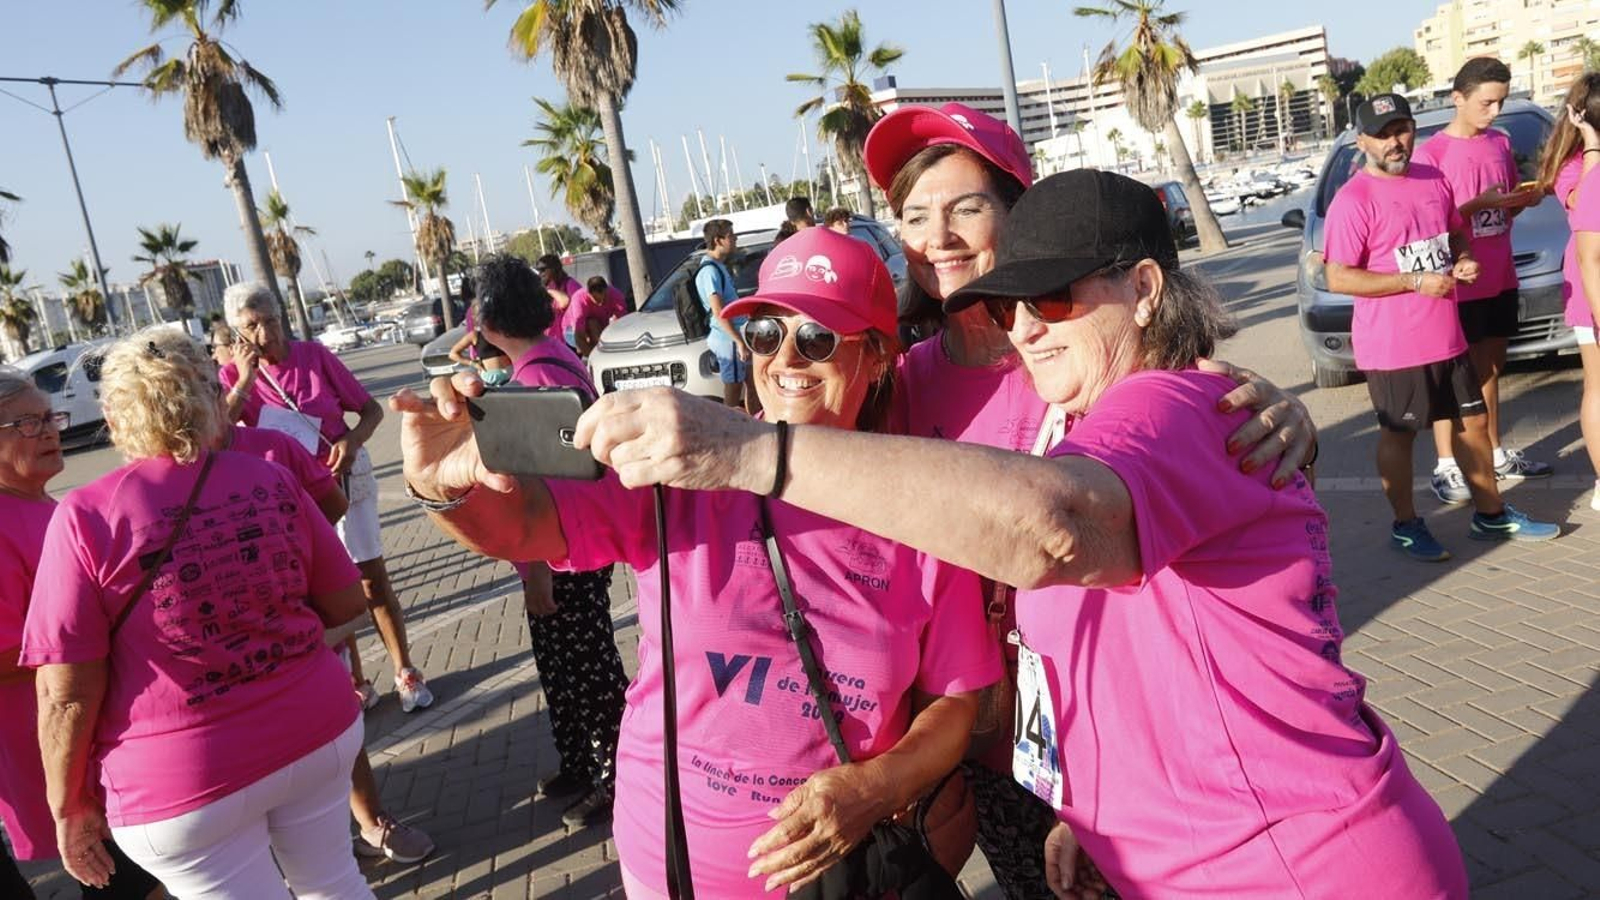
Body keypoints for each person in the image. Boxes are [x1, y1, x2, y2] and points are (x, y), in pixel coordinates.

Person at [564, 170, 1471, 899]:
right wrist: (1091, 803)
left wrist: (747, 450)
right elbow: (1122, 661)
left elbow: (1053, 526)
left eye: (1054, 300)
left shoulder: (1183, 405)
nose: (1028, 332)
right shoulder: (1077, 421)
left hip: (1289, 862)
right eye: (1009, 311)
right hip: (1189, 851)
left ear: (1145, 289)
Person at [395, 227, 1001, 898]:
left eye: (818, 338)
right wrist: (442, 483)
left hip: (839, 876)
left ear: (880, 355)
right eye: (766, 334)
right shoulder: (683, 472)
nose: (786, 358)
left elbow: (955, 701)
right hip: (671, 862)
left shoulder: (917, 506)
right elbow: (528, 523)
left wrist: (870, 788)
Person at [862, 100, 1317, 900]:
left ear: (1022, 215)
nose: (940, 236)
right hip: (990, 726)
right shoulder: (899, 382)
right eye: (915, 214)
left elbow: (1186, 416)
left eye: (968, 206)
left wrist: (1279, 405)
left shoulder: (1085, 351)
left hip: (1120, 716)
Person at [21, 330, 374, 898]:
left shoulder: (87, 516)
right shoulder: (271, 479)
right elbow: (346, 601)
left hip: (183, 782)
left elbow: (65, 693)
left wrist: (68, 809)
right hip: (315, 731)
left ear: (113, 415)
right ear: (210, 397)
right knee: (336, 883)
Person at [1323, 94, 1559, 561]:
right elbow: (1339, 276)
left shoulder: (1433, 178)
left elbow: (1452, 232)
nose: (1396, 141)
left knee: (1474, 422)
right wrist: (1412, 281)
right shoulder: (1353, 200)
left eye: (1403, 129)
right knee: (1400, 435)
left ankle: (1490, 515)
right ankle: (1406, 526)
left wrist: (1465, 258)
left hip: (1447, 334)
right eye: (1384, 133)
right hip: (1394, 347)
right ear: (1362, 140)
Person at [219, 422, 435, 864]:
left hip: (296, 617)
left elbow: (331, 503)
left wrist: (295, 555)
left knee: (334, 722)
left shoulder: (270, 448)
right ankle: (282, 852)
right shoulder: (140, 484)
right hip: (224, 650)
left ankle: (372, 823)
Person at [221, 282, 435, 712]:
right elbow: (218, 432)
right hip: (293, 494)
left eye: (271, 320)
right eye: (253, 326)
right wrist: (244, 377)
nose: (267, 332)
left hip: (346, 475)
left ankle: (405, 669)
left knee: (370, 575)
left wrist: (351, 442)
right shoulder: (232, 378)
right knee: (325, 588)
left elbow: (370, 410)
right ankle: (356, 679)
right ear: (239, 334)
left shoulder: (314, 357)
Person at [469, 254, 630, 827]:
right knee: (564, 665)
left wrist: (537, 570)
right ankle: (582, 763)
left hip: (565, 553)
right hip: (575, 544)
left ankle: (613, 777)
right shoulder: (550, 357)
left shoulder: (534, 379)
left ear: (489, 319)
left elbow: (541, 487)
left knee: (586, 668)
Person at [0, 373, 163, 899]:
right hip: (56, 739)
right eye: (29, 422)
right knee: (122, 877)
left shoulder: (42, 505)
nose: (49, 431)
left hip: (93, 728)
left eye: (50, 418)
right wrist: (97, 645)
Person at [1413, 58, 1551, 504]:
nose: (1493, 111)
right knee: (1453, 376)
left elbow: (1504, 205)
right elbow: (1431, 221)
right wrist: (1477, 204)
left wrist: (1522, 200)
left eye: (1500, 102)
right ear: (1459, 98)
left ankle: (1492, 451)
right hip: (1457, 279)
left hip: (1500, 273)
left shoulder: (1499, 143)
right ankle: (1447, 464)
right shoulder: (1431, 154)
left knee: (1490, 370)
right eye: (1486, 103)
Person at [1538, 73, 1600, 509]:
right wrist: (1592, 141)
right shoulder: (1573, 163)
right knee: (1598, 385)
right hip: (1588, 285)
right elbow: (1581, 202)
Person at [698, 218, 755, 412]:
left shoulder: (719, 267)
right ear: (718, 240)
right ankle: (730, 429)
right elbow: (718, 311)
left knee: (752, 382)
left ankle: (755, 421)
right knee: (733, 386)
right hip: (727, 339)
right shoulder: (709, 271)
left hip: (735, 336)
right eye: (731, 235)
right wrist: (738, 341)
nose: (735, 239)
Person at [566, 275, 629, 358]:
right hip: (572, 331)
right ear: (588, 293)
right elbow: (578, 335)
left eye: (604, 296)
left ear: (607, 290)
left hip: (600, 326)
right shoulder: (579, 300)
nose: (601, 302)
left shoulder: (616, 295)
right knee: (592, 323)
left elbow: (623, 323)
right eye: (596, 299)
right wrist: (594, 358)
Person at [536, 254, 586, 351]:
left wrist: (547, 291)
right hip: (552, 342)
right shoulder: (549, 287)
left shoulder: (571, 284)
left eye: (543, 269)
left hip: (570, 340)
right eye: (538, 270)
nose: (540, 273)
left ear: (553, 268)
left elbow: (565, 302)